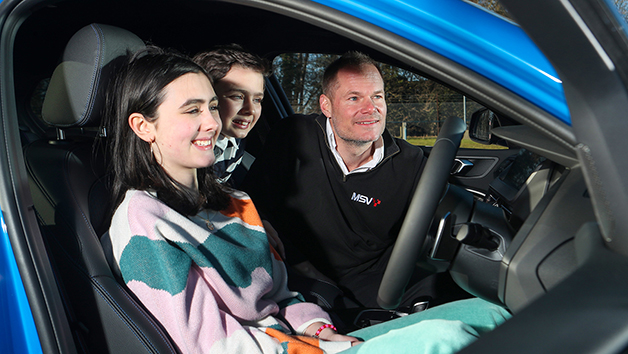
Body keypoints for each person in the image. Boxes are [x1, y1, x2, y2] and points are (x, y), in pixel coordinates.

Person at [104, 46, 510, 354]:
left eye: (212, 106)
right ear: (143, 127)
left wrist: (319, 329)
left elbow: (280, 294)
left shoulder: (234, 201)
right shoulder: (143, 218)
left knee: (491, 313)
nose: (213, 122)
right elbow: (209, 345)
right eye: (192, 110)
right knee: (448, 338)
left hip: (303, 340)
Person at [241, 51, 467, 309]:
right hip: (299, 277)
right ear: (326, 106)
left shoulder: (413, 163)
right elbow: (252, 204)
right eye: (354, 98)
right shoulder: (293, 136)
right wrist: (304, 269)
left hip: (379, 286)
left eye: (377, 96)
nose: (370, 109)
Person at [193, 44, 270, 187]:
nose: (250, 110)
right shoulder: (192, 147)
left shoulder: (235, 141)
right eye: (237, 97)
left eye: (257, 100)